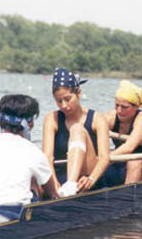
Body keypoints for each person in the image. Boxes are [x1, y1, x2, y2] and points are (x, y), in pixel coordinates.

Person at [42, 68, 110, 197]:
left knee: (77, 129)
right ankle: (66, 189)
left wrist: (91, 179)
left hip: (88, 177)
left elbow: (104, 158)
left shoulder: (98, 119)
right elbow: (47, 157)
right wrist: (54, 185)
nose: (64, 106)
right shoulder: (51, 119)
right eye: (59, 101)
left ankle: (71, 185)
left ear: (78, 93)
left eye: (68, 99)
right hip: (60, 181)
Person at [104, 80, 142, 186]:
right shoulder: (110, 117)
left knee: (134, 161)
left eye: (124, 107)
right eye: (116, 105)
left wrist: (103, 160)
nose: (119, 110)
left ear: (136, 106)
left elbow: (129, 148)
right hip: (118, 162)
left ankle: (127, 198)